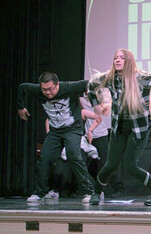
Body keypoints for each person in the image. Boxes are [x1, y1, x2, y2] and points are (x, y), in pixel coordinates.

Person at [87, 48, 151, 206]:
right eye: (115, 58)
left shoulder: (140, 78)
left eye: (122, 58)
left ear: (129, 61)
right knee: (110, 165)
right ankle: (96, 193)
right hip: (119, 127)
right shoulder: (110, 78)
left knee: (130, 166)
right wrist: (96, 106)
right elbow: (91, 84)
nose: (117, 60)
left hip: (138, 128)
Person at [17, 71, 97, 203]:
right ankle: (40, 192)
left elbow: (91, 84)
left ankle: (90, 192)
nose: (48, 93)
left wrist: (96, 103)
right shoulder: (37, 90)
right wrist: (21, 107)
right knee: (44, 158)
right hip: (55, 131)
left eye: (50, 89)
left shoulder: (69, 87)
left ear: (57, 85)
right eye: (44, 90)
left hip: (73, 129)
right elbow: (22, 87)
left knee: (73, 156)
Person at [45, 108, 102, 199]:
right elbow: (49, 127)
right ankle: (55, 191)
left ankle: (95, 191)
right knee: (59, 169)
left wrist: (90, 130)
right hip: (62, 145)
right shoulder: (55, 114)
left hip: (79, 145)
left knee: (79, 168)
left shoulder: (81, 111)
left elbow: (98, 118)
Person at [79, 94, 126, 198]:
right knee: (83, 164)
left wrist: (104, 106)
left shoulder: (101, 101)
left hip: (101, 136)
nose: (88, 92)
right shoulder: (81, 100)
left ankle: (119, 189)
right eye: (87, 89)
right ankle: (91, 190)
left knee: (106, 163)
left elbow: (105, 110)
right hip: (88, 137)